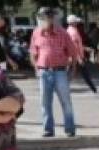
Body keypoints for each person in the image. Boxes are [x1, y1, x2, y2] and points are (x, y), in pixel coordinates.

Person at [30, 6, 80, 138]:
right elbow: (33, 53)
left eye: (44, 18)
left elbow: (73, 53)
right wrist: (36, 68)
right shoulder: (36, 33)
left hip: (60, 72)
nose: (41, 21)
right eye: (40, 18)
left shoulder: (63, 33)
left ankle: (70, 129)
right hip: (44, 72)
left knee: (65, 101)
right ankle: (48, 129)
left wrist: (73, 69)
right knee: (45, 102)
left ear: (51, 19)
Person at [67, 15, 98, 94]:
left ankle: (63, 87)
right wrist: (79, 58)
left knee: (71, 72)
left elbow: (77, 45)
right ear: (73, 23)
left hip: (73, 57)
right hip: (76, 57)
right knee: (83, 73)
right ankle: (94, 89)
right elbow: (74, 46)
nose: (77, 23)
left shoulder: (72, 31)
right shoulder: (73, 32)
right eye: (76, 22)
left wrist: (85, 48)